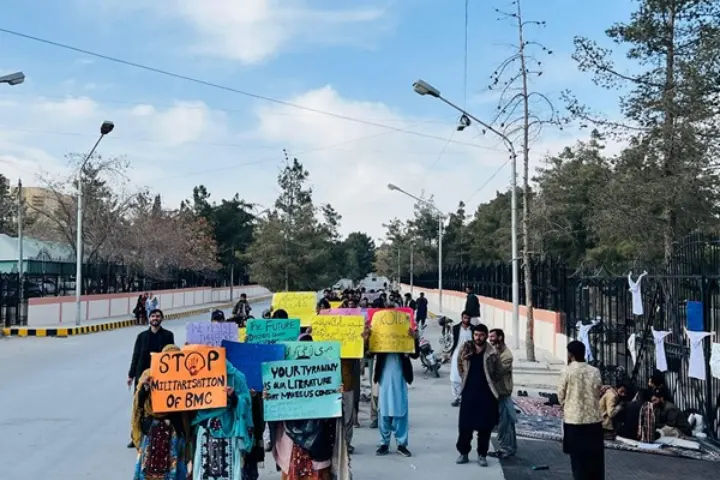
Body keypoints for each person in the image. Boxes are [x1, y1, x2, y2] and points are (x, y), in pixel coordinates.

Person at [269, 333, 351, 479]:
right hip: (296, 443)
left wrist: (337, 393)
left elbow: (335, 412)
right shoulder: (286, 381)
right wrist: (270, 396)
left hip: (318, 439)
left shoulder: (324, 378)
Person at [132, 344, 193, 479]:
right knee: (148, 466)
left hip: (175, 430)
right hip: (152, 429)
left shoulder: (185, 375)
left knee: (176, 466)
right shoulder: (149, 374)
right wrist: (146, 388)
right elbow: (139, 404)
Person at [191, 359, 254, 479]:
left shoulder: (236, 377)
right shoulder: (198, 376)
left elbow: (245, 401)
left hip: (229, 432)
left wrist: (233, 397)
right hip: (206, 431)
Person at [365, 325, 419, 457]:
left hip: (400, 379)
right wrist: (367, 339)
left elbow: (415, 354)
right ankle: (384, 443)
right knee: (383, 411)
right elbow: (369, 354)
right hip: (384, 379)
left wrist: (414, 339)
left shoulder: (404, 335)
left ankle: (402, 444)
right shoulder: (380, 337)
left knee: (401, 411)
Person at [127, 308, 175, 448]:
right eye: (153, 316)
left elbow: (171, 354)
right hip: (142, 376)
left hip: (161, 376)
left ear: (161, 318)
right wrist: (131, 374)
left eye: (157, 316)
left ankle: (162, 433)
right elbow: (135, 356)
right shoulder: (141, 336)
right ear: (149, 318)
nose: (155, 318)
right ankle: (135, 435)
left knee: (158, 406)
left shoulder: (168, 335)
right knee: (139, 405)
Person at [558, 340, 604, 480]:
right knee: (595, 459)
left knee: (578, 460)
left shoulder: (566, 371)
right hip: (593, 420)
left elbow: (561, 394)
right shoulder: (595, 371)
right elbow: (598, 391)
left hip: (574, 420)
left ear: (570, 355)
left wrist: (566, 405)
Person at [455, 324, 499, 467]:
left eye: (481, 335)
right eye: (476, 335)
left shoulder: (492, 352)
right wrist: (464, 378)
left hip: (486, 394)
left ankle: (482, 454)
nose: (478, 338)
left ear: (486, 336)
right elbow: (459, 364)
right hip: (469, 393)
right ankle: (464, 453)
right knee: (465, 426)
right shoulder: (466, 348)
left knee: (484, 427)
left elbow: (496, 372)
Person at [488, 328, 516, 458]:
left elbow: (498, 372)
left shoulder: (507, 356)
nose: (490, 339)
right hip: (497, 393)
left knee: (505, 424)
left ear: (500, 337)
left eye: (492, 337)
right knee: (504, 422)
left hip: (503, 393)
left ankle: (506, 449)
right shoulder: (495, 351)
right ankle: (509, 447)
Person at [449, 311, 474, 407]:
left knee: (468, 376)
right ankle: (456, 397)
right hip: (457, 354)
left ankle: (466, 397)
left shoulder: (473, 329)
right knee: (455, 376)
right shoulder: (456, 328)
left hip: (469, 355)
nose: (466, 320)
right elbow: (452, 341)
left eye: (468, 318)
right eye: (465, 318)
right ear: (462, 317)